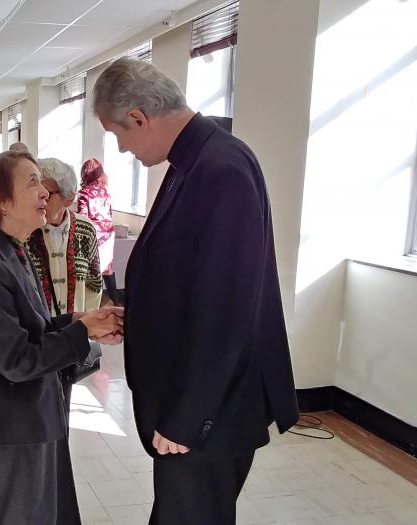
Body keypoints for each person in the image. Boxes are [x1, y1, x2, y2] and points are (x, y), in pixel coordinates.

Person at [93, 57, 299, 525]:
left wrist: (188, 416)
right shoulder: (197, 161)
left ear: (140, 117)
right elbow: (187, 279)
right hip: (196, 396)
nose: (121, 147)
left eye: (117, 133)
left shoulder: (220, 167)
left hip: (211, 409)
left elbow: (227, 308)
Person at [0, 151, 123, 524]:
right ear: (1, 200)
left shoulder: (10, 249)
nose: (45, 192)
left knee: (34, 506)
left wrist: (82, 320)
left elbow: (31, 326)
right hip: (12, 415)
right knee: (20, 511)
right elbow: (17, 359)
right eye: (31, 183)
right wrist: (81, 331)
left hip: (31, 407)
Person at [26, 158, 102, 316]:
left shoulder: (85, 229)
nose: (38, 198)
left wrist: (86, 323)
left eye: (47, 194)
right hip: (36, 334)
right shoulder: (24, 230)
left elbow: (93, 282)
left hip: (75, 331)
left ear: (68, 199)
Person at [77, 158, 118, 304]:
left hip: (94, 234)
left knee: (91, 269)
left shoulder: (84, 193)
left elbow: (82, 217)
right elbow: (110, 213)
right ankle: (116, 300)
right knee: (107, 268)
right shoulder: (106, 192)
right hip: (108, 232)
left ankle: (92, 303)